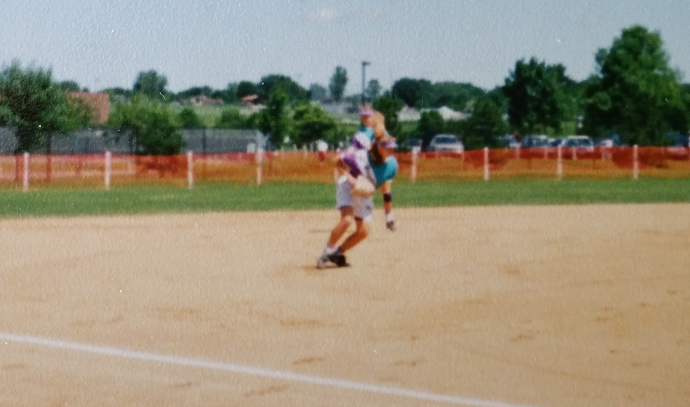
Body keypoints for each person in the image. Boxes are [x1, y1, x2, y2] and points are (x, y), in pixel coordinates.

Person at [317, 122, 398, 269]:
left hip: (364, 193)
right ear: (378, 147)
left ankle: (337, 254)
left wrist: (389, 215)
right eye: (387, 147)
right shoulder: (361, 157)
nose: (390, 150)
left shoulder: (392, 165)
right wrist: (349, 178)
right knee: (347, 219)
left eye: (392, 147)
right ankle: (326, 251)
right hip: (347, 186)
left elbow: (386, 190)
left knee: (363, 232)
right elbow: (337, 161)